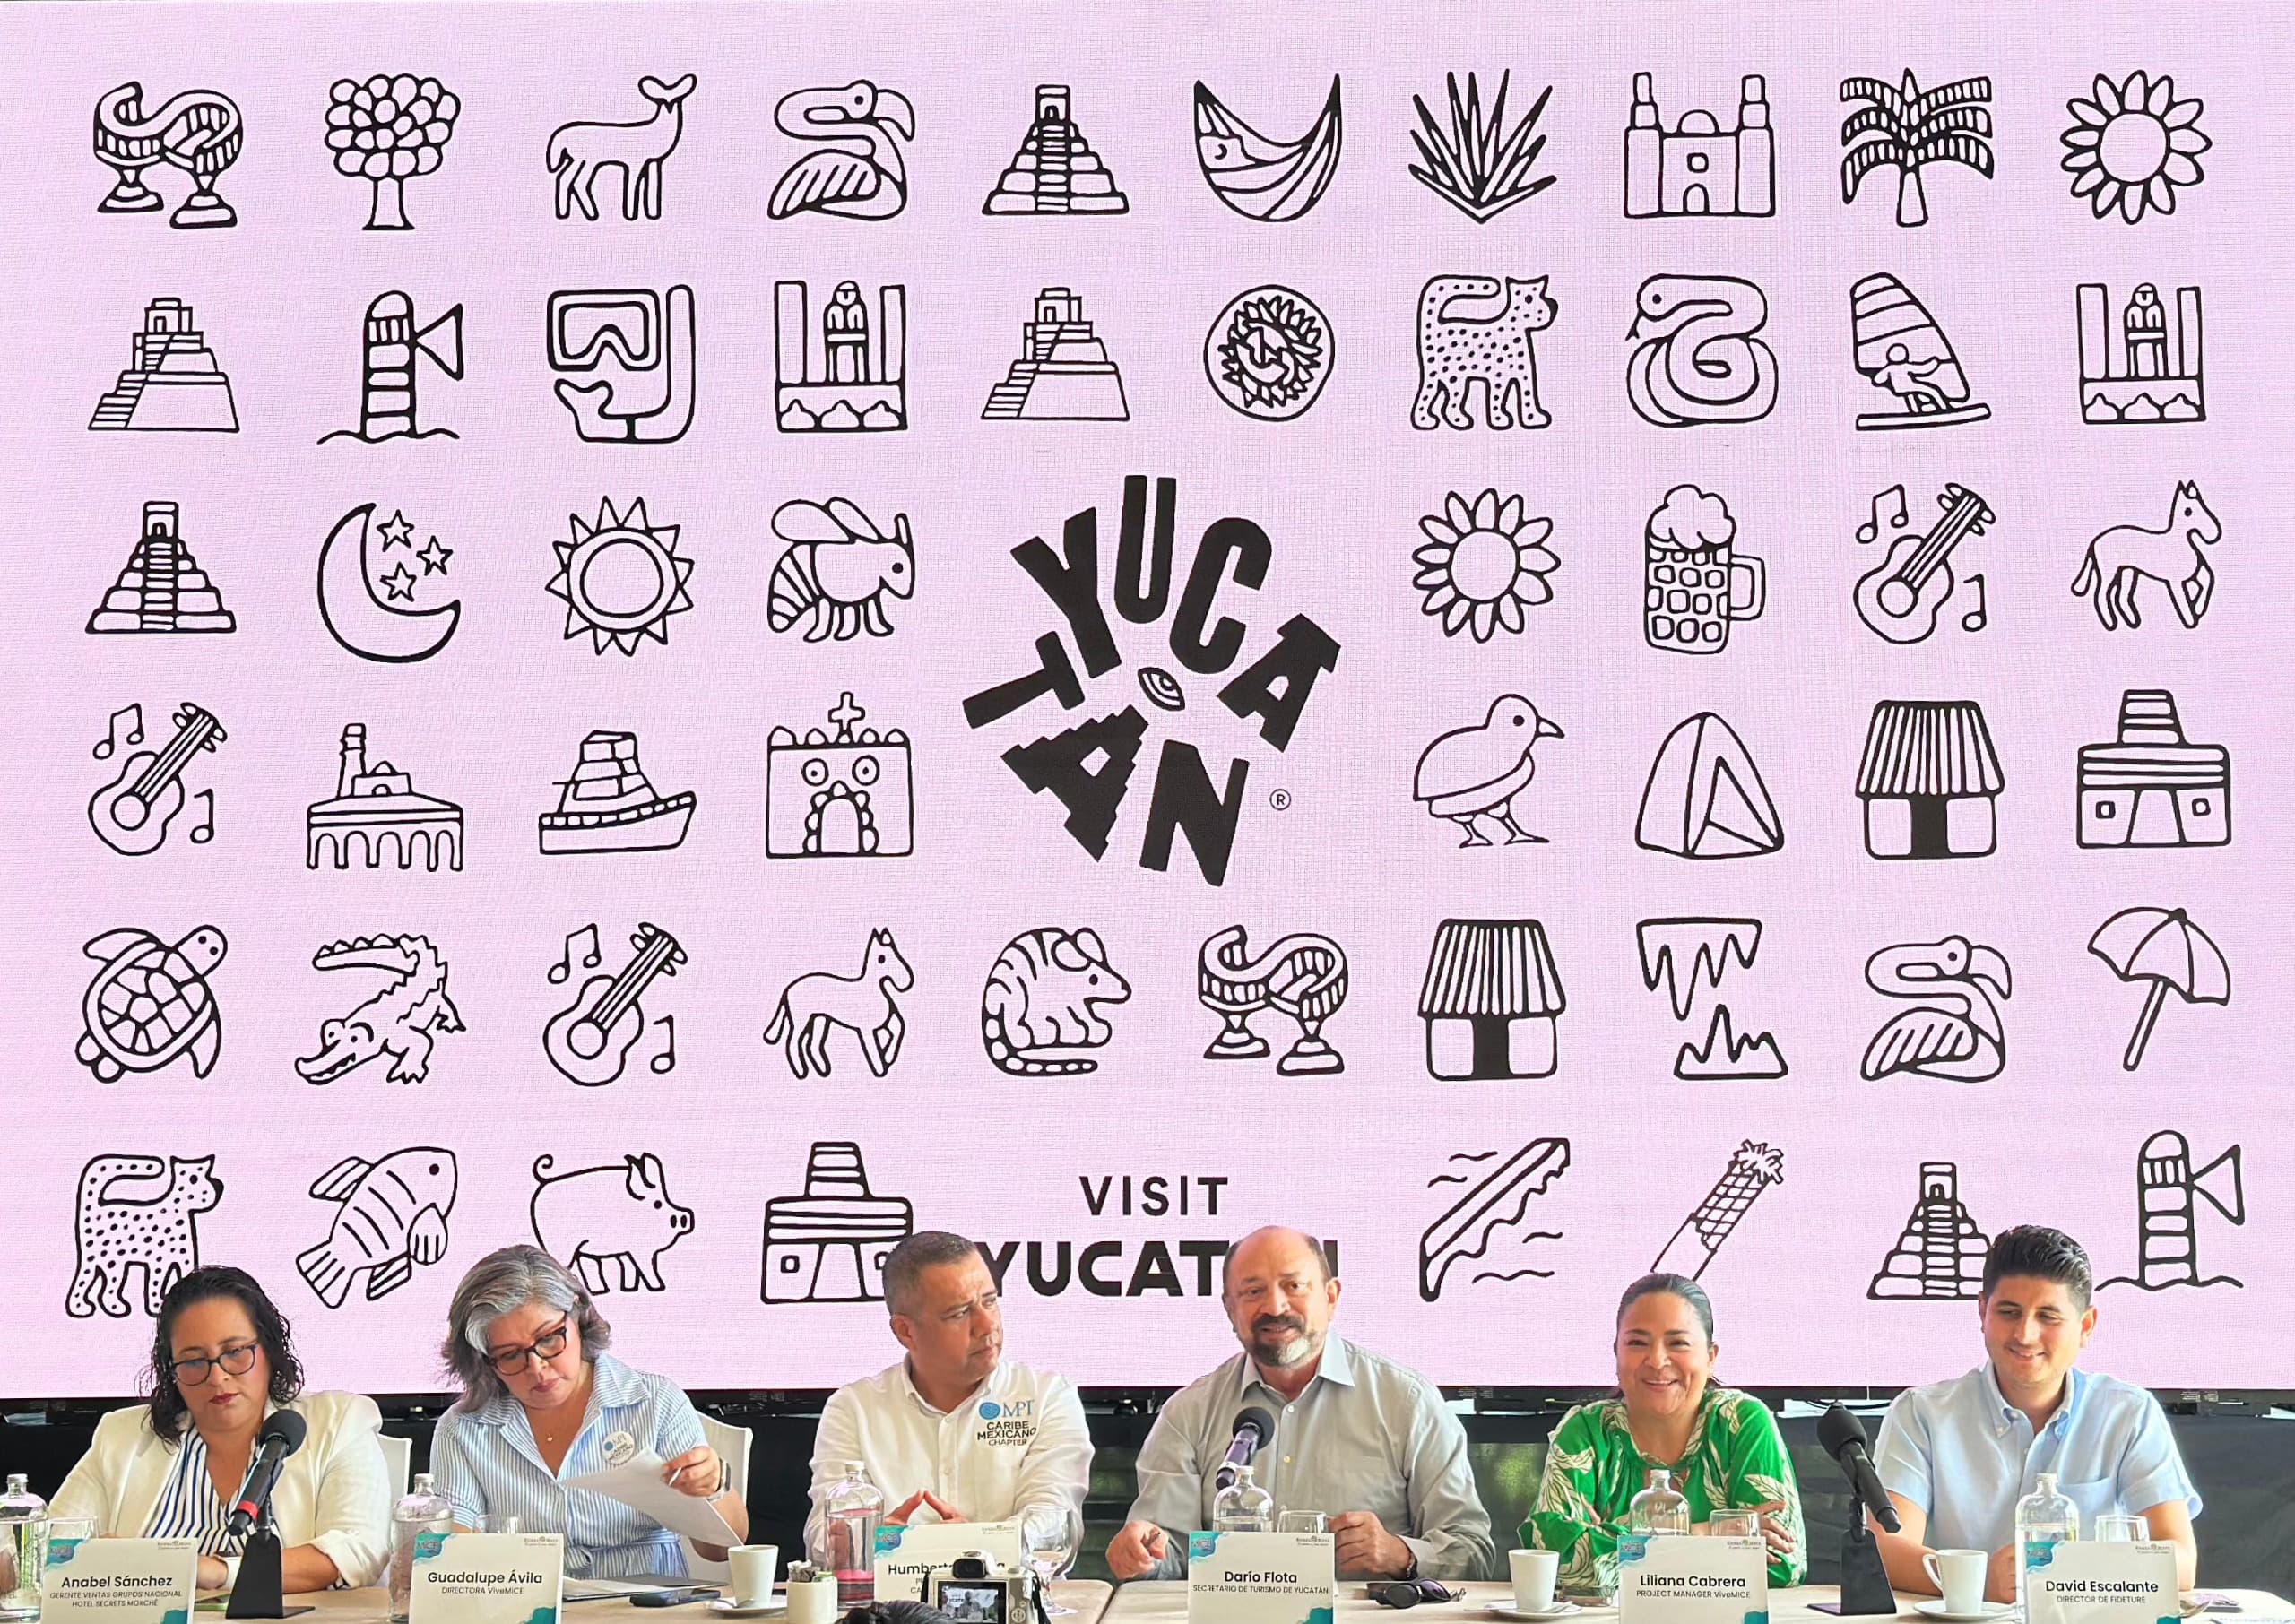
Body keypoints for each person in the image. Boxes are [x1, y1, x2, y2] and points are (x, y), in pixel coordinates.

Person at [1106, 1227, 1493, 1581]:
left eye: (1294, 1286)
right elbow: (1168, 1557)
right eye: (1253, 1291)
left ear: (1330, 1297)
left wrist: (1399, 1555)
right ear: (1229, 1309)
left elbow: (1473, 1552)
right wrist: (1142, 1556)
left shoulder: (1407, 1402)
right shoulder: (1188, 1414)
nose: (1275, 1307)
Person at [1871, 1226, 2199, 1602]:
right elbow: (1886, 1548)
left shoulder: (2129, 1413)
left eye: (2048, 1316)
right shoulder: (1921, 1413)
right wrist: (1977, 1581)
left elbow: (2181, 1561)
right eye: (2009, 1312)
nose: (2025, 1335)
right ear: (1982, 1312)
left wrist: (2068, 1577)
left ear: (2086, 1326)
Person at [49, 1265, 390, 1593]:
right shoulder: (122, 1437)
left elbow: (359, 1550)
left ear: (269, 1349)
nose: (217, 1376)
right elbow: (48, 1548)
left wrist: (218, 1572)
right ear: (171, 1371)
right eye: (194, 1361)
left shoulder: (337, 1422)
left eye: (235, 1352)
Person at [429, 1244, 749, 1578]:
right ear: (483, 1360)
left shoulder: (653, 1401)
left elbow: (721, 1550)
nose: (537, 1368)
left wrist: (712, 1488)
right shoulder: (464, 1428)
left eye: (549, 1339)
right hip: (528, 1602)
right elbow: (451, 1561)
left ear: (578, 1315)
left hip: (646, 1601)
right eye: (510, 1355)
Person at [804, 1232, 1089, 1556]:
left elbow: (1054, 1523)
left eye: (990, 1301)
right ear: (905, 1331)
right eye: (959, 1313)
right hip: (887, 1591)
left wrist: (973, 1545)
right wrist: (855, 1544)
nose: (987, 1325)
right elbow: (823, 1537)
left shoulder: (1047, 1396)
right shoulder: (853, 1409)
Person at [1527, 1274, 1804, 1593]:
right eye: (1637, 1343)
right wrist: (1705, 1533)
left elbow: (1779, 1565)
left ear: (1710, 1357)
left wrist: (1612, 1540)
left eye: (1678, 1343)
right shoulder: (1586, 1430)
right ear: (1616, 1353)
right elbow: (1553, 1560)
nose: (1657, 1361)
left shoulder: (1741, 1423)